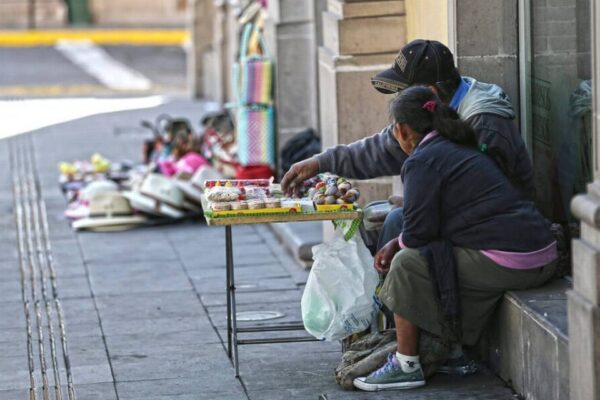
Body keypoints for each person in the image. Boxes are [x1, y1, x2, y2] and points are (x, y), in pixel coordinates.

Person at [351, 86, 557, 392]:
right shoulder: (459, 145)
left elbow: (418, 236)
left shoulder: (423, 161)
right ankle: (452, 351)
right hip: (541, 253)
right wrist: (400, 240)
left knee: (407, 264)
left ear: (401, 130)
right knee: (429, 255)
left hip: (515, 260)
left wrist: (397, 245)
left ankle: (406, 364)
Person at [281, 39, 534, 251]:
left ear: (429, 92)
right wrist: (319, 163)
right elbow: (382, 148)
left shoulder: (485, 122)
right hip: (463, 216)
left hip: (501, 233)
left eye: (402, 93)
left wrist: (423, 206)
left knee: (395, 224)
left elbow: (488, 197)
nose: (397, 100)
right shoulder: (431, 112)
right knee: (371, 219)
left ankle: (394, 307)